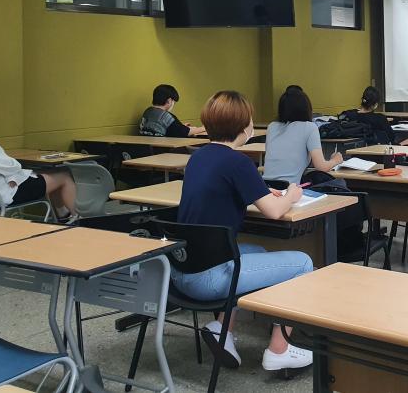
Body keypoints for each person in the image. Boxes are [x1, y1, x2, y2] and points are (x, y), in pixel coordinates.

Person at [175, 90, 313, 371]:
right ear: (243, 126)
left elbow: (224, 189)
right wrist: (292, 194)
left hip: (181, 270)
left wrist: (260, 190)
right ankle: (279, 349)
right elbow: (274, 211)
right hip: (208, 278)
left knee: (257, 251)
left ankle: (222, 330)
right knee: (303, 263)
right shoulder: (238, 162)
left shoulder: (198, 157)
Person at [264, 87, 342, 183]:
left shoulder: (272, 127)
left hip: (266, 187)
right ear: (306, 108)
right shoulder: (309, 127)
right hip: (290, 188)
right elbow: (321, 167)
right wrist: (335, 160)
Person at [0, 138, 78, 221]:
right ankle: (76, 219)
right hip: (6, 195)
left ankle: (63, 215)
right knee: (64, 176)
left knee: (47, 175)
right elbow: (12, 167)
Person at [139, 84, 205, 137]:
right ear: (169, 101)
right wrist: (203, 128)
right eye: (174, 102)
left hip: (145, 147)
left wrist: (181, 126)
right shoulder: (166, 116)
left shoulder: (148, 111)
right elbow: (184, 132)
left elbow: (168, 128)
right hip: (161, 147)